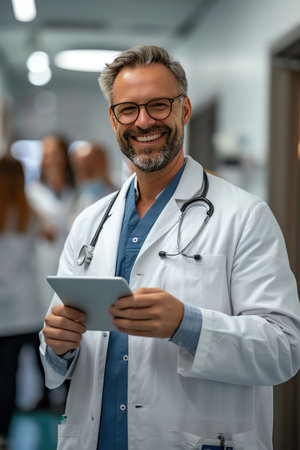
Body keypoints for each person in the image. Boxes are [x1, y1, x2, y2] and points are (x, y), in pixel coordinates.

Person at [40, 45, 300, 450]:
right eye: (128, 109)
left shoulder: (246, 216)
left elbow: (283, 349)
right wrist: (56, 345)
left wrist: (187, 325)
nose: (143, 122)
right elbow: (62, 348)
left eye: (159, 105)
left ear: (185, 110)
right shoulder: (90, 223)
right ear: (113, 119)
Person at [0, 155, 55, 450]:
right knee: (25, 369)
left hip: (4, 310)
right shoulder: (29, 213)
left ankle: (3, 434)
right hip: (26, 307)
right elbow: (51, 234)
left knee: (4, 373)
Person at [26, 134, 77, 311]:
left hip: (75, 265)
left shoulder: (79, 191)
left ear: (65, 156)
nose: (49, 159)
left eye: (54, 153)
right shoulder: (32, 193)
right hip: (42, 267)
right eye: (45, 154)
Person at [70, 141, 115, 215]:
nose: (86, 175)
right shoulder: (76, 203)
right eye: (79, 171)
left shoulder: (126, 194)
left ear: (103, 163)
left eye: (89, 168)